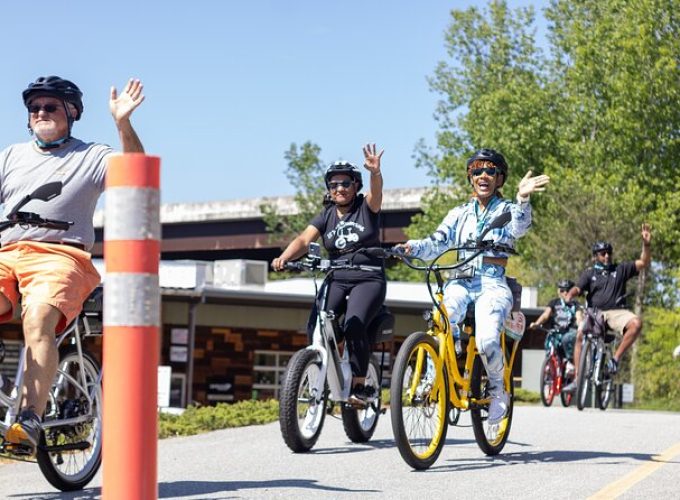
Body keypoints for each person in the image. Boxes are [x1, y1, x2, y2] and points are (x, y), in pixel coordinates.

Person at [0, 75, 145, 454]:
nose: (40, 113)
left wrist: (123, 124)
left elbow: (136, 171)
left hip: (62, 256)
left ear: (73, 112)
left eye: (50, 107)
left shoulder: (91, 155)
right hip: (7, 253)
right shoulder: (11, 156)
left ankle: (29, 418)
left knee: (37, 319)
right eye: (34, 108)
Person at [397, 148, 550, 424]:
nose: (483, 175)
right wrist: (410, 247)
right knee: (441, 318)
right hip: (461, 281)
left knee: (488, 339)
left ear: (499, 179)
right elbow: (437, 242)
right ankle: (433, 376)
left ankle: (497, 389)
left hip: (493, 284)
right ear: (470, 177)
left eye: (490, 171)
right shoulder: (459, 213)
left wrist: (523, 198)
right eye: (477, 170)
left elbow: (520, 227)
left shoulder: (506, 210)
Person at [272, 144, 385, 405]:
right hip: (337, 276)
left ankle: (359, 385)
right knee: (317, 325)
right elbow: (303, 239)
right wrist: (285, 258)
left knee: (354, 324)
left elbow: (376, 194)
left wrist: (375, 174)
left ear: (355, 185)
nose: (339, 189)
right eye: (333, 184)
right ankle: (320, 372)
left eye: (345, 183)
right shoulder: (326, 215)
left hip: (367, 278)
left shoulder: (365, 208)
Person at [562, 225, 651, 393]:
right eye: (603, 253)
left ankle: (614, 360)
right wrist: (569, 296)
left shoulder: (621, 269)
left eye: (609, 252)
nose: (607, 256)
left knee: (636, 323)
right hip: (595, 313)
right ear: (596, 256)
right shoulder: (589, 273)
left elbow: (643, 262)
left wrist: (646, 244)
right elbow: (578, 289)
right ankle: (577, 379)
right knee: (580, 334)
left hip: (617, 312)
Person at [529, 279, 583, 365]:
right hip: (556, 331)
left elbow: (579, 317)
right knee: (549, 339)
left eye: (568, 290)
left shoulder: (575, 304)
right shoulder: (554, 302)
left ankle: (570, 362)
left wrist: (581, 325)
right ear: (559, 291)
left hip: (570, 331)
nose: (565, 293)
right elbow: (545, 315)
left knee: (567, 339)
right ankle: (550, 364)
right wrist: (536, 323)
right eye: (562, 290)